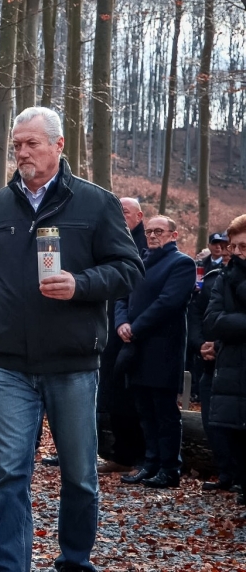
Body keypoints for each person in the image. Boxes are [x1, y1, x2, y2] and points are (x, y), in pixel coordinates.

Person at [0, 106, 143, 572]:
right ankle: (10, 566)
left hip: (73, 363)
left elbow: (129, 269)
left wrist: (80, 283)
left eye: (32, 144)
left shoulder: (96, 203)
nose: (22, 153)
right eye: (17, 145)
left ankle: (75, 561)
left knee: (79, 476)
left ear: (58, 146)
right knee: (10, 474)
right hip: (9, 366)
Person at [114, 216, 195, 488]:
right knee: (144, 411)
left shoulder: (181, 263)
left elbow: (168, 303)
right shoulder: (139, 261)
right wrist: (121, 323)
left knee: (164, 412)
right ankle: (150, 463)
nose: (152, 235)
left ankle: (169, 468)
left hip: (163, 350)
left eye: (159, 231)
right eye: (149, 231)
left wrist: (135, 327)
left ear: (174, 235)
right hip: (135, 349)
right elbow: (122, 295)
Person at [94, 198, 148, 476]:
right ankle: (120, 454)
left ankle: (138, 455)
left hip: (133, 330)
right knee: (112, 393)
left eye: (125, 212)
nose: (121, 216)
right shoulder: (112, 238)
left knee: (129, 395)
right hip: (112, 326)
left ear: (139, 216)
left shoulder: (144, 245)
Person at [187, 229, 238, 492]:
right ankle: (225, 472)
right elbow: (198, 313)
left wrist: (217, 344)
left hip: (232, 360)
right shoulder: (212, 277)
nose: (227, 251)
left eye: (232, 246)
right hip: (208, 361)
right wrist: (200, 345)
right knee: (211, 421)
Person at [204, 216, 246, 511]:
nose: (237, 252)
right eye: (234, 246)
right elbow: (212, 322)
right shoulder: (223, 278)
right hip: (233, 373)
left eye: (243, 246)